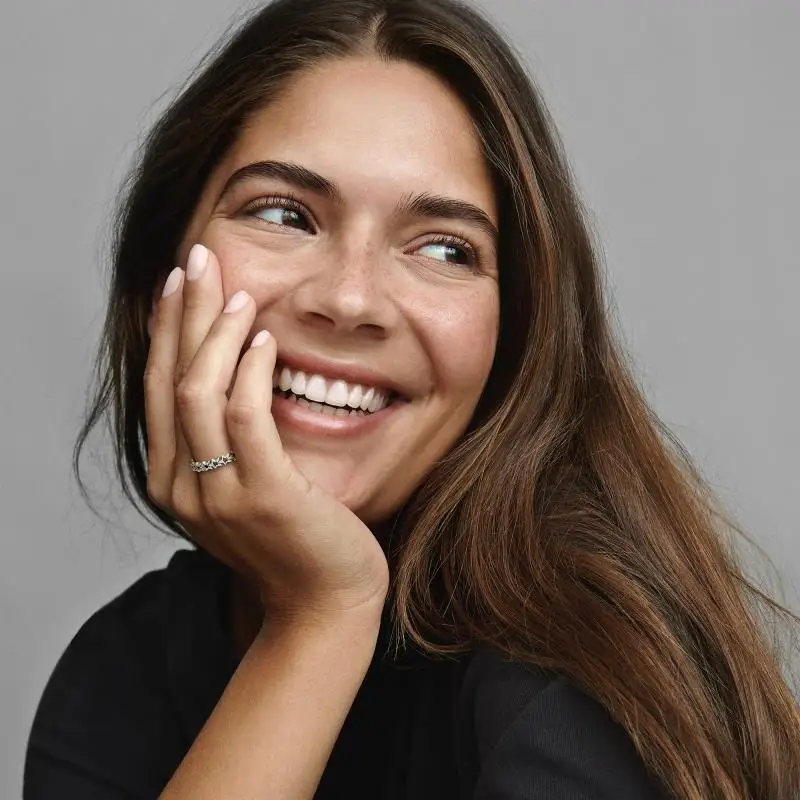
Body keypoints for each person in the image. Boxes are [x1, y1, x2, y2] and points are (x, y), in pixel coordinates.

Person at [22, 0, 800, 797]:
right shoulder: (128, 673)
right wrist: (316, 621)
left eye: (445, 249)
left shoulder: (562, 701)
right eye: (284, 214)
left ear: (514, 333)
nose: (349, 299)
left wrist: (321, 613)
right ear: (162, 272)